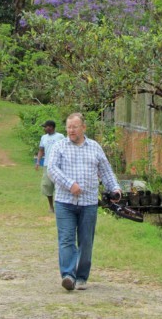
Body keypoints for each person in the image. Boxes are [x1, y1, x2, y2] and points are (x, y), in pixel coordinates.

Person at [47, 112, 121, 291]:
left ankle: (81, 277)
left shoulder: (94, 147)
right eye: (68, 127)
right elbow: (51, 169)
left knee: (86, 241)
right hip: (65, 202)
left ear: (83, 128)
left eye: (74, 127)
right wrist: (69, 184)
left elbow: (106, 171)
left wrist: (115, 188)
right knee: (66, 239)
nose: (71, 130)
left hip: (88, 203)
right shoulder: (59, 146)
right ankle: (68, 275)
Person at [35, 120, 64, 213]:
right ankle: (51, 206)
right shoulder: (43, 137)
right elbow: (41, 150)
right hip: (47, 165)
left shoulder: (60, 137)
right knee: (47, 185)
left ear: (51, 127)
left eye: (45, 127)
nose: (44, 128)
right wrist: (38, 161)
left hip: (59, 165)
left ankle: (60, 206)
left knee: (60, 186)